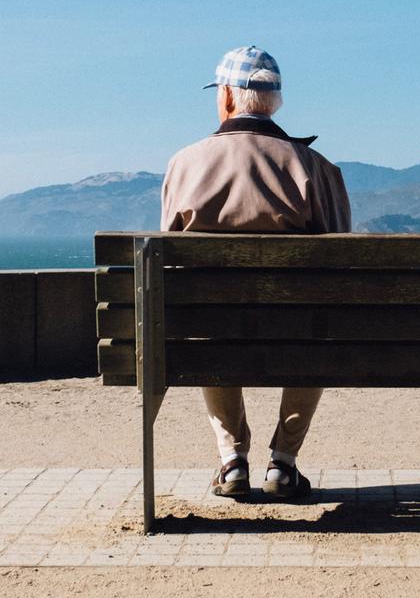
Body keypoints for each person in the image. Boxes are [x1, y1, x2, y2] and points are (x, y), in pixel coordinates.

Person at [161, 46, 351, 500]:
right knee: (318, 329)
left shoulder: (185, 163)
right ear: (274, 102)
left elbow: (167, 259)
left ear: (227, 97)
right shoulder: (316, 168)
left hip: (213, 330)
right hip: (297, 330)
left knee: (206, 324)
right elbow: (342, 259)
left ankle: (232, 460)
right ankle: (283, 462)